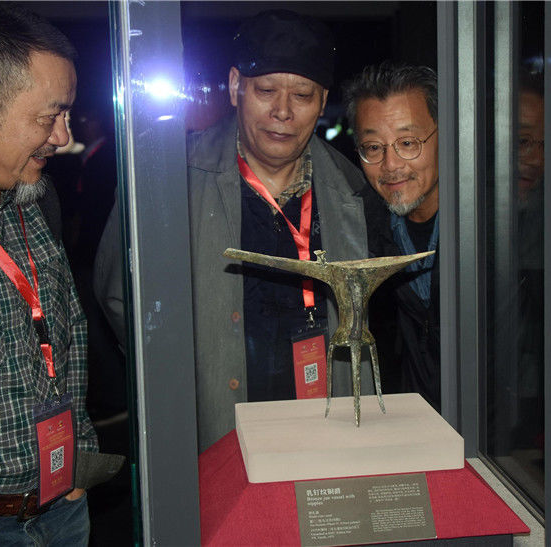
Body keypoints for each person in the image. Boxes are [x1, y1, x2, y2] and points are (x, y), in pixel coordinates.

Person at [94, 10, 379, 452]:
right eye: (266, 90)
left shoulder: (354, 189)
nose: (282, 111)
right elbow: (119, 297)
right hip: (212, 429)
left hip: (326, 432)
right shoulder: (169, 180)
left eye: (302, 95)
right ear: (234, 87)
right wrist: (183, 380)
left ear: (323, 102)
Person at [0, 4, 97, 543]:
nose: (63, 136)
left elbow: (65, 341)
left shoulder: (35, 200)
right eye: (48, 117)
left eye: (68, 116)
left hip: (63, 507)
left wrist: (82, 457)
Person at [343, 62, 441, 411]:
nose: (391, 165)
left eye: (407, 143)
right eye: (373, 147)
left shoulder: (488, 225)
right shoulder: (362, 229)